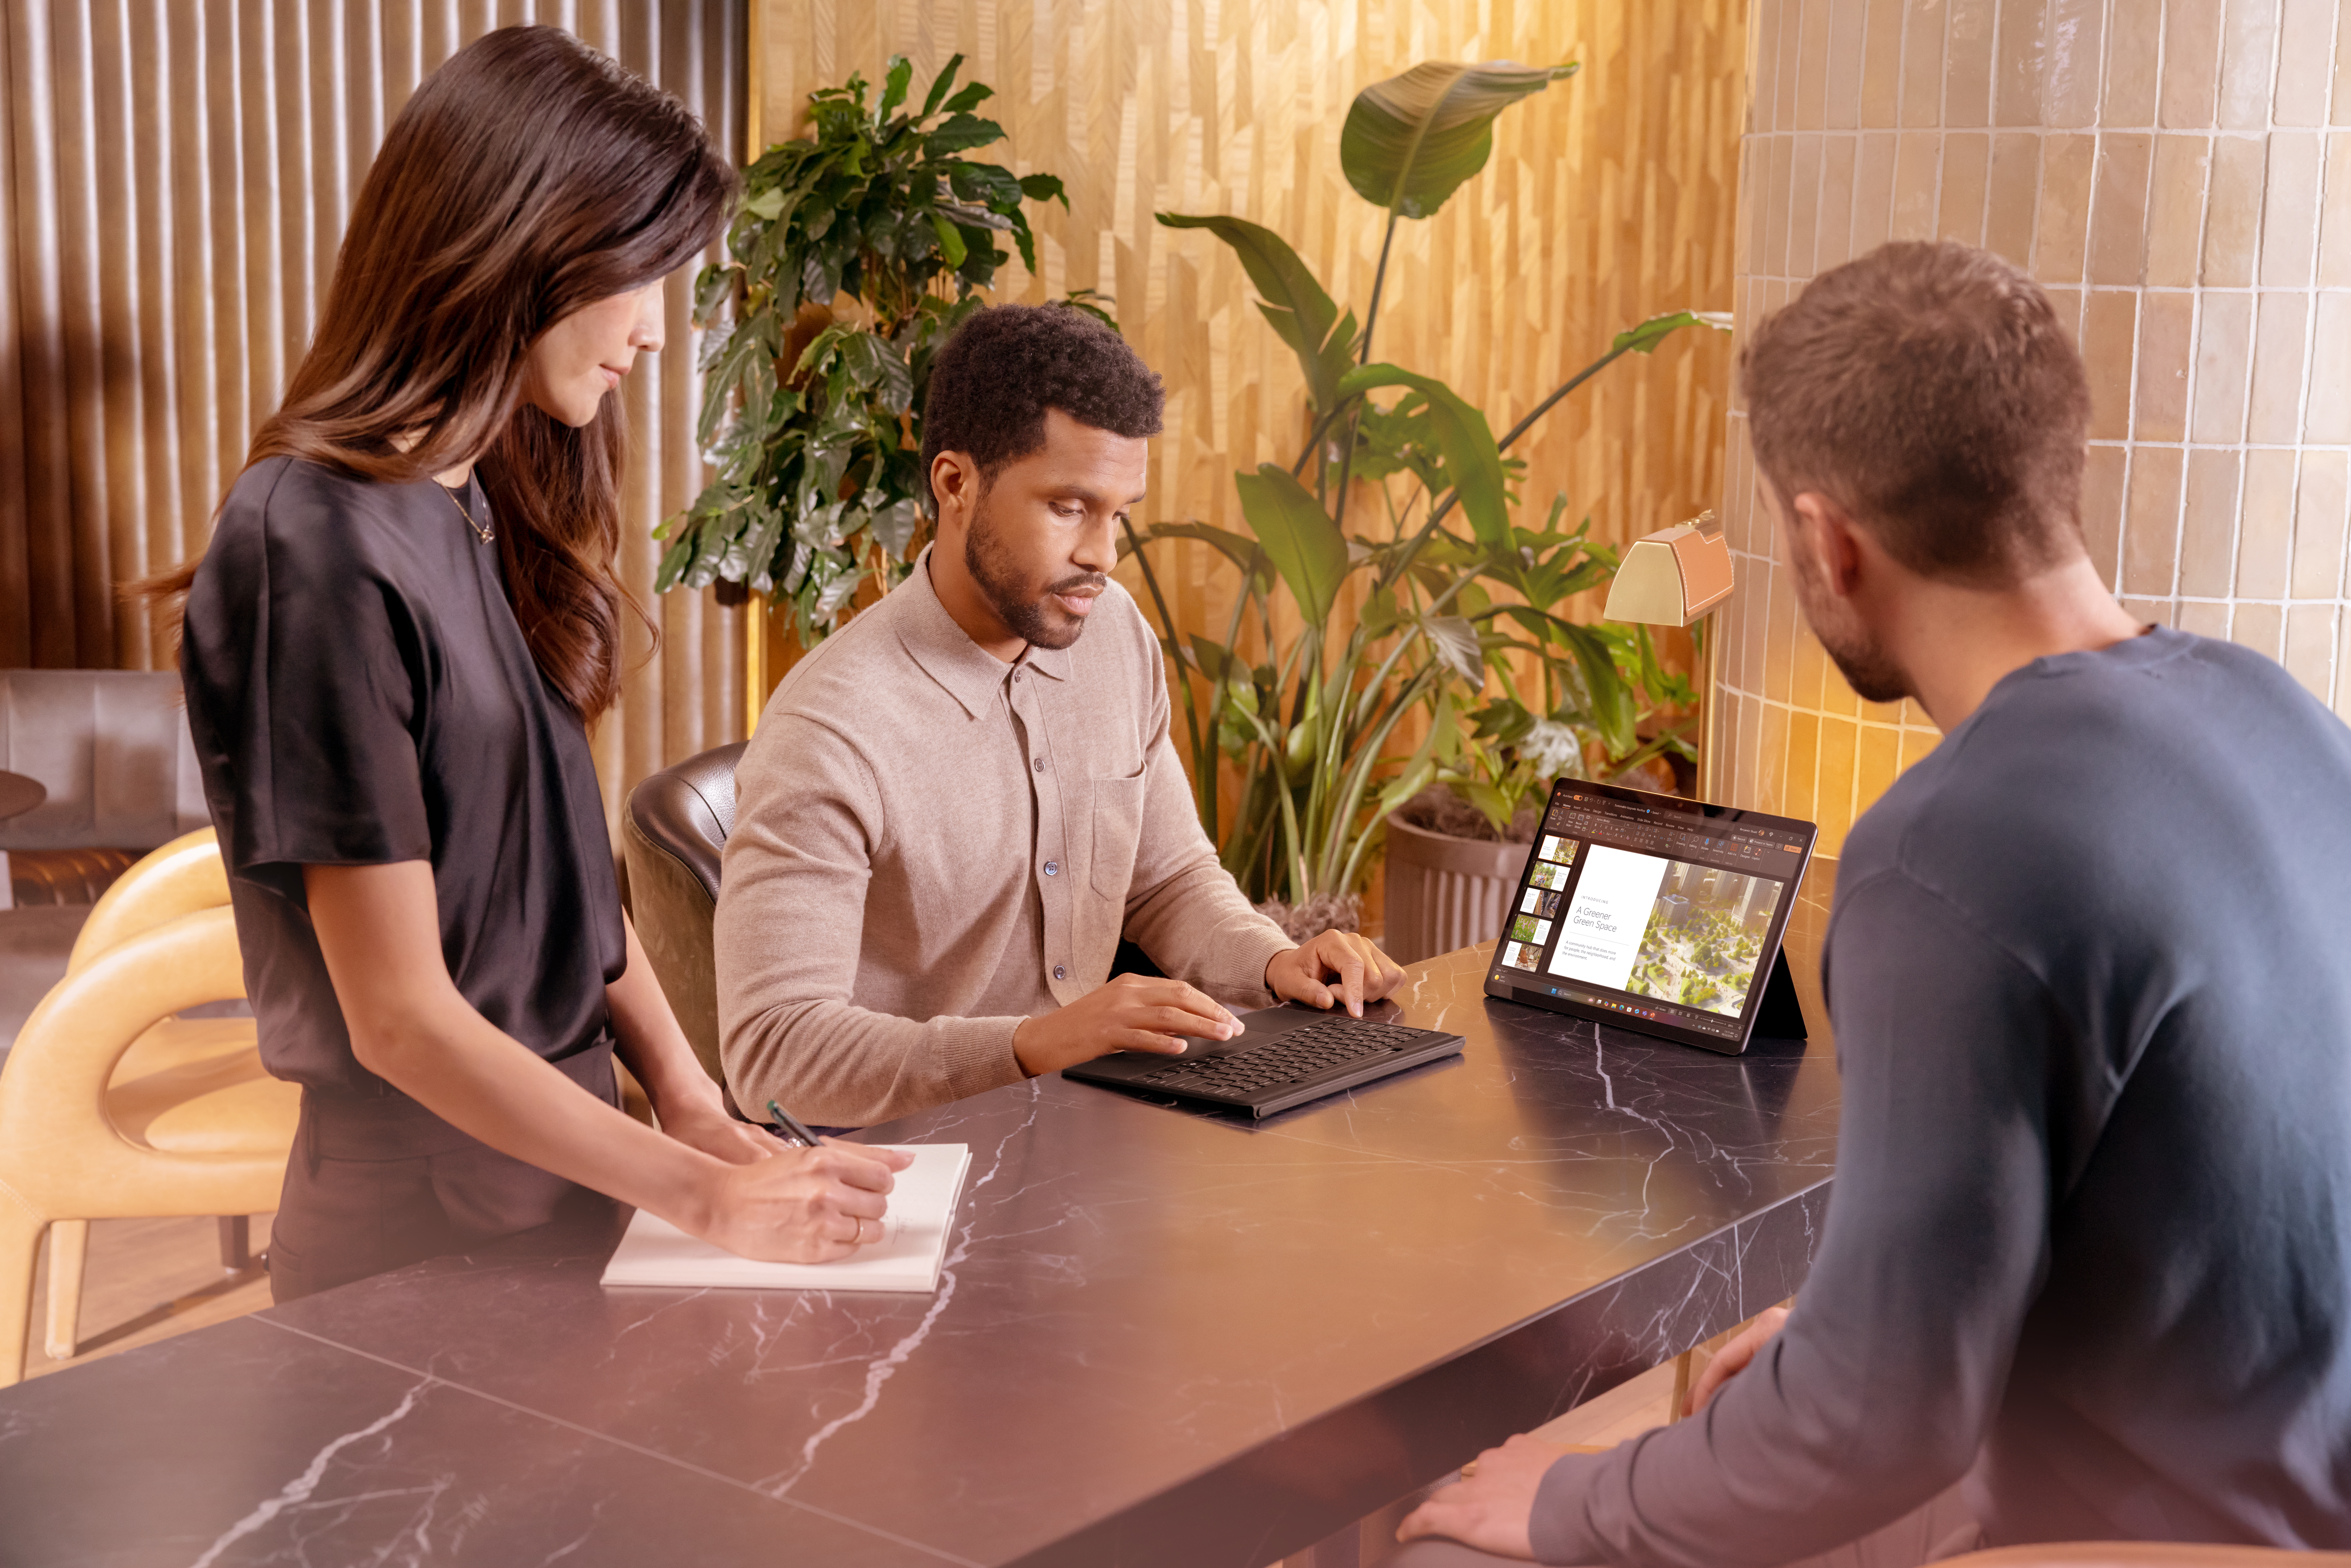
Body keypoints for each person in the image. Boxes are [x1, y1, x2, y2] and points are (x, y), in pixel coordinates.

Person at [1385, 240, 2351, 1564]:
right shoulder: (2280, 715)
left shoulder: (1948, 847)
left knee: (1448, 1548)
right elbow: (2207, 1204)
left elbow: (1867, 1433)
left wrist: (1564, 1499)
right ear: (2052, 472)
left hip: (2164, 1539)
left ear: (1824, 538)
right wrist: (1864, 1328)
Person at [155, 26, 907, 1303]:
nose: (657, 334)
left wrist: (692, 1100)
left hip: (571, 1188)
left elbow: (567, 882)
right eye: (642, 279)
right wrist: (704, 1193)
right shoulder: (310, 545)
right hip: (422, 1247)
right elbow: (396, 1016)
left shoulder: (479, 501)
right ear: (529, 248)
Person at [715, 304, 1405, 1127]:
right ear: (955, 484)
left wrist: (1277, 961)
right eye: (1068, 507)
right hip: (902, 1177)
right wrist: (1029, 1045)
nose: (1103, 556)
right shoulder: (832, 730)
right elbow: (773, 1052)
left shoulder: (1114, 635)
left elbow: (1171, 881)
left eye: (1119, 513)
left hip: (1090, 1133)